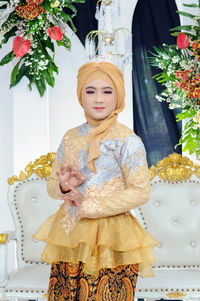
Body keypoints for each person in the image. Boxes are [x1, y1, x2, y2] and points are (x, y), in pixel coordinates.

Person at [34, 61, 158, 301]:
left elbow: (141, 191)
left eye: (107, 91)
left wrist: (89, 207)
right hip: (69, 234)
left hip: (113, 241)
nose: (98, 99)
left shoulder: (127, 140)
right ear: (81, 95)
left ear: (118, 95)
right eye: (90, 91)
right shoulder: (71, 136)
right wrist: (63, 186)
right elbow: (52, 185)